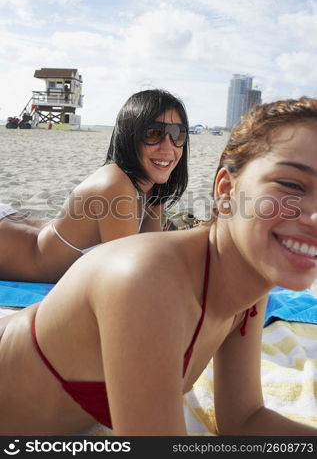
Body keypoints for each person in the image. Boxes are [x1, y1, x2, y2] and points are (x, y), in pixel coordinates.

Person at [1, 96, 317, 436]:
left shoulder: (250, 286)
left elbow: (244, 419)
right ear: (226, 189)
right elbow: (134, 255)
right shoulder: (142, 276)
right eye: (292, 185)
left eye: (178, 134)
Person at [0, 89, 189, 283]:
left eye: (177, 134)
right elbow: (130, 279)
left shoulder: (152, 187)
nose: (168, 147)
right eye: (154, 133)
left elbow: (149, 255)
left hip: (16, 228)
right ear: (130, 136)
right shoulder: (116, 185)